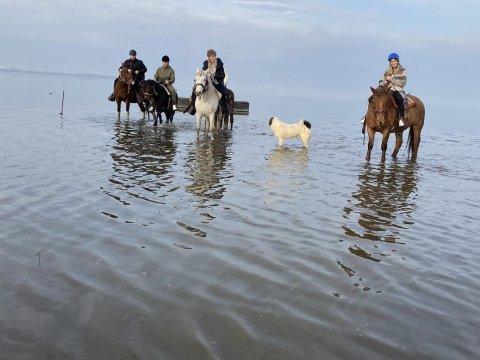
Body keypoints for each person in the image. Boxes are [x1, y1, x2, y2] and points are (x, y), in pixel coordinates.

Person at [184, 48, 230, 116]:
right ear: (208, 57)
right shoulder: (206, 63)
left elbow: (222, 75)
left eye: (213, 56)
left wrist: (214, 75)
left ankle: (225, 110)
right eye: (210, 57)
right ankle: (194, 107)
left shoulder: (220, 64)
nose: (211, 58)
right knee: (194, 90)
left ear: (215, 56)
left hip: (216, 81)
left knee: (223, 91)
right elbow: (202, 72)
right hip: (206, 81)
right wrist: (202, 75)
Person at [383, 52, 407, 126]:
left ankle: (401, 118)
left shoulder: (403, 70)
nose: (393, 63)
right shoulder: (387, 71)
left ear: (398, 61)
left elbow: (403, 83)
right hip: (388, 89)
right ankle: (368, 116)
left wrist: (392, 79)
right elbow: (384, 80)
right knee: (377, 97)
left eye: (394, 61)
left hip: (398, 89)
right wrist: (384, 81)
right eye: (391, 61)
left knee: (399, 99)